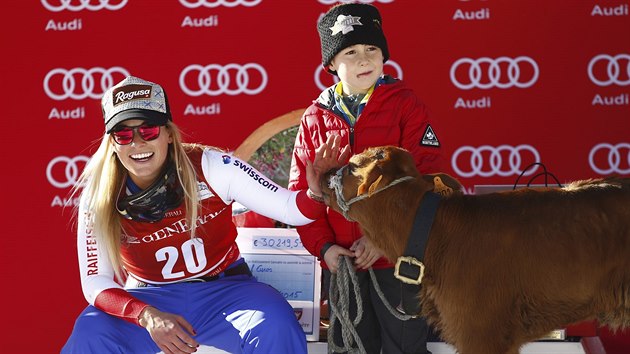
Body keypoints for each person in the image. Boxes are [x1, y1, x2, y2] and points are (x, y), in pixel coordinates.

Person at [62, 76, 348, 354]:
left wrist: (315, 192)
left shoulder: (211, 166)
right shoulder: (100, 193)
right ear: (112, 143)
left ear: (169, 134)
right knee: (90, 332)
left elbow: (289, 209)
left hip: (226, 290)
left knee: (275, 325)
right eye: (123, 134)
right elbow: (95, 281)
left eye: (148, 131)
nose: (137, 144)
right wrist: (146, 315)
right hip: (150, 296)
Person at [288, 3, 444, 354]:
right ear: (331, 64)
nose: (364, 60)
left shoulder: (405, 105)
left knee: (404, 347)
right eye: (351, 52)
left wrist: (383, 238)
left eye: (372, 49)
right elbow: (302, 197)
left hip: (397, 260)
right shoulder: (314, 118)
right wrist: (326, 249)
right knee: (349, 348)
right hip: (343, 267)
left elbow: (428, 180)